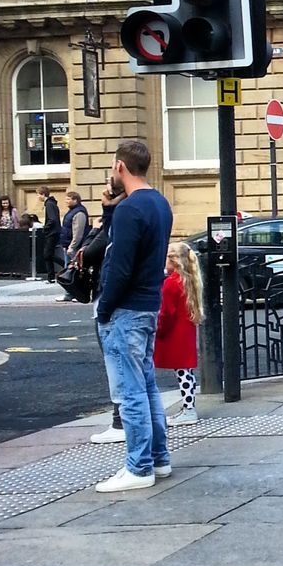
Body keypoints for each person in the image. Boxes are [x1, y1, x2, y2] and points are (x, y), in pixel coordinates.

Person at [92, 140, 173, 493]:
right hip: (148, 305)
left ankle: (138, 467)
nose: (112, 173)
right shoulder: (159, 203)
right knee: (147, 386)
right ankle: (159, 458)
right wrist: (111, 210)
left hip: (125, 310)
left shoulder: (131, 210)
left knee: (130, 392)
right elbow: (127, 247)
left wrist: (104, 308)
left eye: (113, 167)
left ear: (120, 167)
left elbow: (119, 267)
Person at [84, 182, 128, 443]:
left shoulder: (115, 230)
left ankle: (120, 423)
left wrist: (104, 310)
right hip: (126, 307)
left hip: (113, 308)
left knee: (118, 366)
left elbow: (89, 253)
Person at [157, 241, 203, 427]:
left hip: (175, 333)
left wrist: (158, 330)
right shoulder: (189, 279)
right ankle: (188, 407)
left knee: (182, 373)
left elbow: (166, 313)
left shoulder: (171, 283)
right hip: (186, 331)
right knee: (186, 372)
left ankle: (189, 410)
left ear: (173, 261)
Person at [39, 186, 62, 273]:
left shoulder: (49, 204)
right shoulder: (51, 203)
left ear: (43, 194)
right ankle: (51, 275)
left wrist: (45, 228)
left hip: (52, 232)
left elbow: (52, 219)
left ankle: (65, 266)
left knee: (48, 254)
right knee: (49, 254)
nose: (38, 197)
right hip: (54, 232)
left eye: (38, 195)